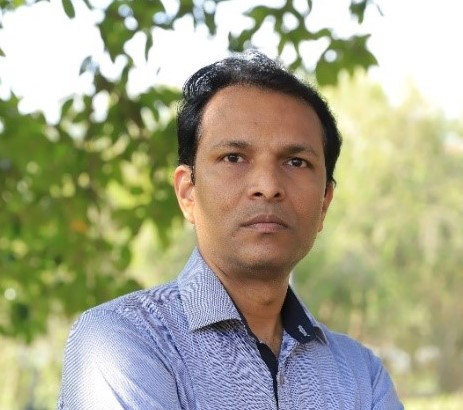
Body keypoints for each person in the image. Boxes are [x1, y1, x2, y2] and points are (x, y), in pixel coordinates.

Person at [57, 51, 403, 409]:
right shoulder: (121, 340)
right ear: (188, 193)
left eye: (296, 162)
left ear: (324, 202)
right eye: (234, 158)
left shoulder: (361, 374)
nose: (268, 186)